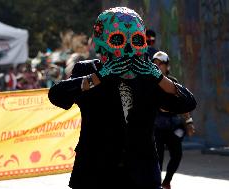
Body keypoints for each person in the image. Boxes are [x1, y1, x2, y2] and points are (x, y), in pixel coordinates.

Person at [48, 7, 196, 189]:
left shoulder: (148, 76)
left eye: (136, 41)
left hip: (142, 175)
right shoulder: (88, 70)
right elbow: (57, 96)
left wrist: (158, 78)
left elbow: (187, 102)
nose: (128, 49)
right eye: (117, 40)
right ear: (101, 42)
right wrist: (99, 77)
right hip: (96, 174)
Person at [152, 51, 195, 189]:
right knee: (157, 160)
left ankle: (167, 181)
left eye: (161, 63)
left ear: (167, 65)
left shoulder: (173, 82)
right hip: (156, 127)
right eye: (155, 63)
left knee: (177, 155)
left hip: (172, 126)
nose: (158, 66)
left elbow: (183, 104)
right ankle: (157, 184)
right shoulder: (149, 83)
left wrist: (188, 122)